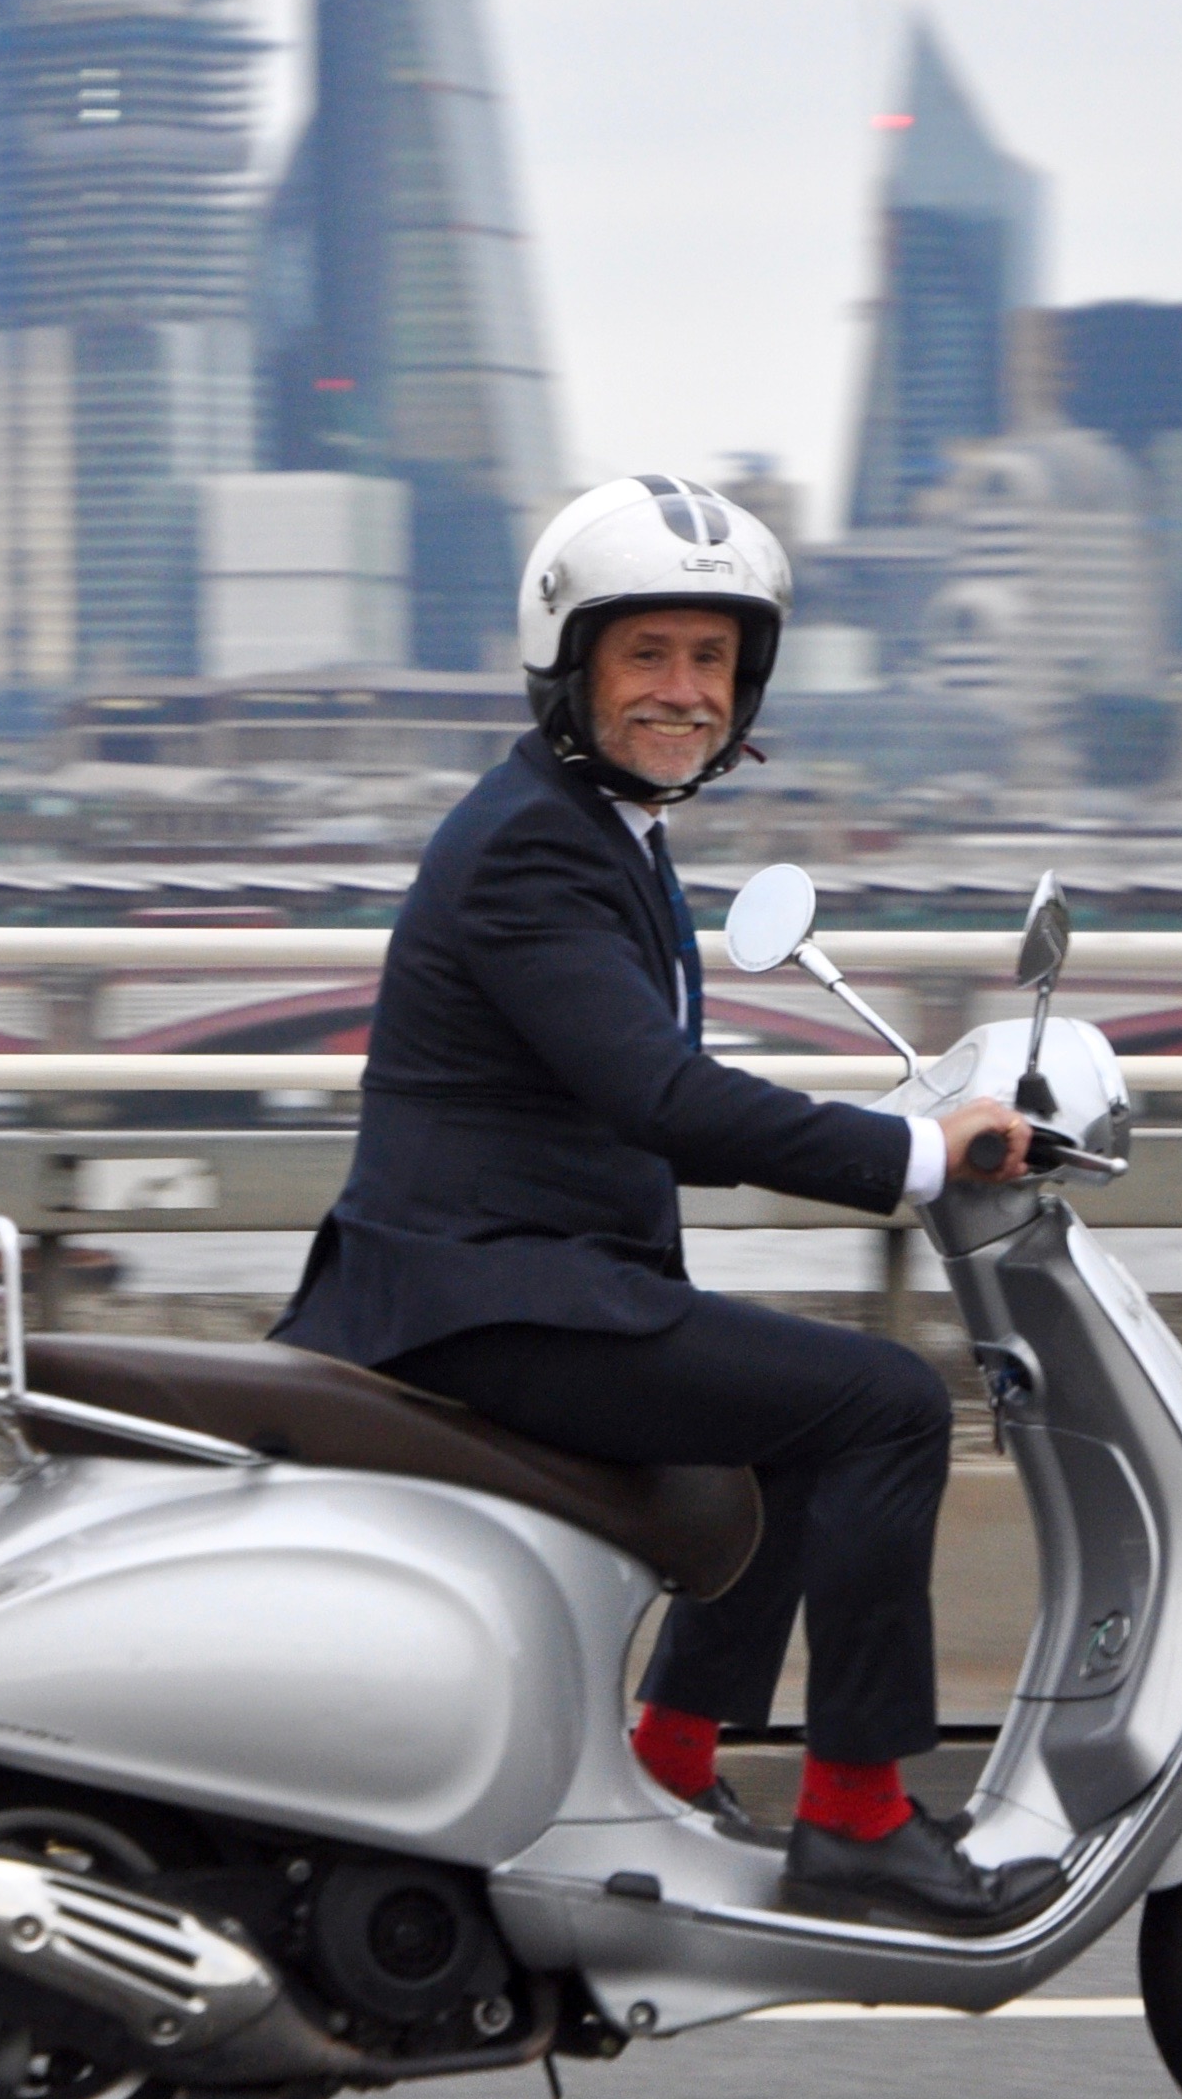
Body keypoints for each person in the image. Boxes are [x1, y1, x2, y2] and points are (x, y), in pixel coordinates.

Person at [274, 473, 1067, 1934]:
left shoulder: (597, 830)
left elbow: (634, 1101)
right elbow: (660, 1096)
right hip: (477, 1298)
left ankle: (667, 1768)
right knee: (883, 1404)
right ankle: (860, 1820)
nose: (684, 692)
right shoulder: (533, 844)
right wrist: (911, 1159)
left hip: (512, 1278)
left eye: (710, 660)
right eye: (649, 656)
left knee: (771, 1440)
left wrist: (888, 1124)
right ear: (573, 669)